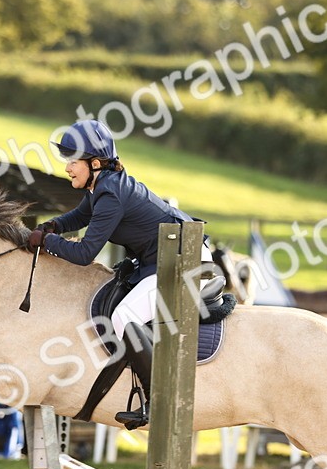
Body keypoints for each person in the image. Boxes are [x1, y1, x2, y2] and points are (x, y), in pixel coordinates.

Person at [26, 119, 212, 430]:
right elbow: (80, 215)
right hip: (163, 260)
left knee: (124, 317)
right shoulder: (102, 186)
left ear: (95, 163)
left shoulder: (110, 193)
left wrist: (47, 242)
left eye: (73, 161)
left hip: (184, 262)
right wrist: (53, 226)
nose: (67, 167)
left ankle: (159, 400)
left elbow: (85, 254)